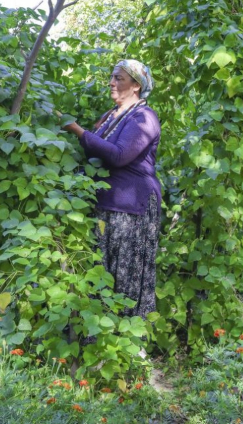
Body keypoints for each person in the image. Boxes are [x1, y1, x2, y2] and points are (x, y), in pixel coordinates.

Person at [61, 59, 162, 318]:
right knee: (102, 276)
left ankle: (129, 343)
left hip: (130, 207)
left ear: (137, 85)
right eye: (112, 77)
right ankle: (101, 346)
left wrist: (78, 131)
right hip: (107, 205)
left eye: (119, 78)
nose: (112, 83)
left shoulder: (144, 117)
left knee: (125, 277)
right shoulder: (113, 116)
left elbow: (119, 156)